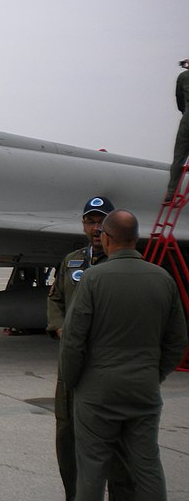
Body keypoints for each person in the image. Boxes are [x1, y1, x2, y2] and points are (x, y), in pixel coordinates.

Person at [61, 209, 188, 501]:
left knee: (92, 467)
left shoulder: (93, 279)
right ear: (136, 239)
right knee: (147, 465)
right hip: (143, 390)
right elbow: (178, 340)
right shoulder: (162, 279)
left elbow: (73, 340)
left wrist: (73, 381)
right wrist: (154, 374)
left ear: (106, 238)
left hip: (96, 391)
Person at [47, 196, 133, 500]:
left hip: (106, 367)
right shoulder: (71, 261)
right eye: (90, 221)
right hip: (71, 368)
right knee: (67, 435)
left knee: (114, 439)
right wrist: (59, 327)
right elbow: (56, 299)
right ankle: (74, 494)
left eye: (101, 222)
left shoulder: (125, 265)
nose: (96, 228)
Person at [165, 58, 189, 200]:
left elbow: (179, 99)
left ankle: (171, 192)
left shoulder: (183, 77)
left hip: (187, 118)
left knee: (179, 157)